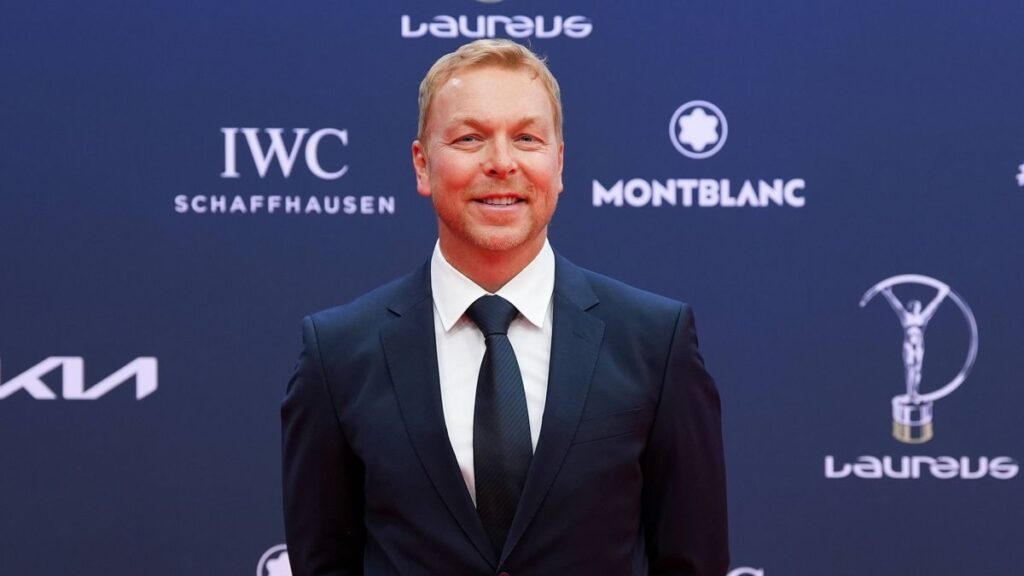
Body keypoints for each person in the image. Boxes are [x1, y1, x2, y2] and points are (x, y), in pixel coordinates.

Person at [282, 39, 729, 575]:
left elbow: (693, 561)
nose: (501, 162)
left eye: (526, 138)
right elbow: (323, 561)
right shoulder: (337, 354)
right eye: (470, 138)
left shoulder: (655, 341)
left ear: (558, 163)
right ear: (422, 166)